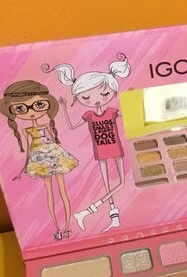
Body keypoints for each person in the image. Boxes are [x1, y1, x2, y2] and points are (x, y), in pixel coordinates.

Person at [43, 53, 131, 232]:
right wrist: (65, 109)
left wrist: (130, 99)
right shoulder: (88, 115)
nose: (97, 100)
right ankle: (113, 217)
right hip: (100, 150)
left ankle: (89, 210)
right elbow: (72, 126)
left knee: (121, 183)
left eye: (104, 94)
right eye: (86, 98)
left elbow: (130, 116)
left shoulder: (112, 111)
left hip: (115, 147)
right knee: (107, 184)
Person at [0, 80, 78, 240]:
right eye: (21, 109)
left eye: (39, 105)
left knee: (63, 192)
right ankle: (57, 228)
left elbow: (54, 141)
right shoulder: (26, 130)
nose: (31, 113)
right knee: (50, 193)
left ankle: (68, 227)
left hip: (54, 156)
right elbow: (28, 150)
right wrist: (23, 169)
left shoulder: (46, 125)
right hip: (39, 160)